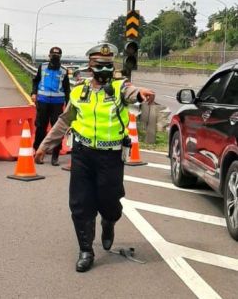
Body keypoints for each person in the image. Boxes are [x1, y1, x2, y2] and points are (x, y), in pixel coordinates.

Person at [34, 43, 155, 273]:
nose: (105, 70)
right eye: (100, 65)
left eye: (109, 65)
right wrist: (44, 147)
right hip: (82, 155)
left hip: (110, 158)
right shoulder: (80, 92)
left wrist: (140, 93)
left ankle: (108, 223)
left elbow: (132, 92)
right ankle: (86, 250)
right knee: (80, 204)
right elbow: (64, 121)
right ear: (90, 67)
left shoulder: (119, 88)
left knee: (111, 203)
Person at [31, 46, 70, 166]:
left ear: (60, 57)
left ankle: (55, 156)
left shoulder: (63, 71)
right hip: (42, 101)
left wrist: (69, 104)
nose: (55, 58)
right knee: (40, 127)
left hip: (57, 103)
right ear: (49, 56)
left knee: (56, 129)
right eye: (53, 55)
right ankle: (37, 151)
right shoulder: (42, 67)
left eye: (57, 56)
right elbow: (36, 80)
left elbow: (67, 89)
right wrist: (33, 93)